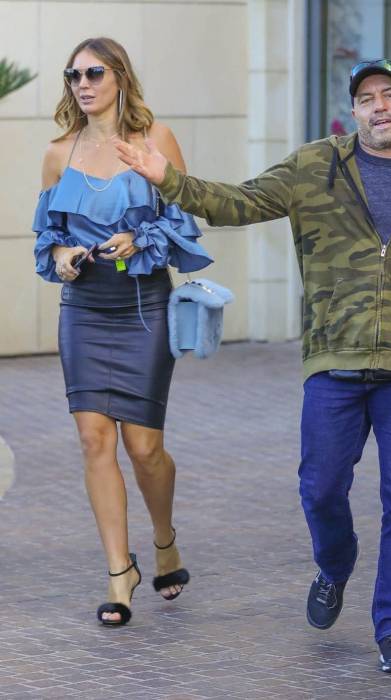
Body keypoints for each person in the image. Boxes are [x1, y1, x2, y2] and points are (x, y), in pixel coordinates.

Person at [116, 59, 391, 669]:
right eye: (367, 98)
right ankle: (335, 562)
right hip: (333, 355)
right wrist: (169, 180)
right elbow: (239, 203)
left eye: (390, 94)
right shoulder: (315, 166)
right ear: (354, 112)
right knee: (320, 487)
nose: (379, 106)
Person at [32, 37, 213, 626]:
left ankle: (164, 539)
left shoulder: (155, 139)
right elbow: (46, 237)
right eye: (73, 75)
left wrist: (140, 239)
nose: (83, 84)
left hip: (143, 308)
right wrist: (61, 254)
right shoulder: (58, 153)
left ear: (119, 77)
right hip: (83, 309)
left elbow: (183, 224)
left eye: (94, 73)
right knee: (94, 440)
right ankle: (119, 572)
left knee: (144, 448)